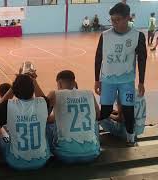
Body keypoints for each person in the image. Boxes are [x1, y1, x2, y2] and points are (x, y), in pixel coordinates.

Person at [94, 2, 147, 146]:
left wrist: (141, 81)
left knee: (128, 111)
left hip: (127, 81)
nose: (114, 23)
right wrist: (97, 80)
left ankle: (131, 139)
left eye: (117, 19)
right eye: (112, 20)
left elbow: (142, 59)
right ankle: (93, 135)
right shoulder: (105, 35)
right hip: (107, 80)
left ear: (127, 18)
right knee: (105, 110)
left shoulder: (138, 36)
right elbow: (98, 57)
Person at [0, 73, 51, 170]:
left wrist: (14, 84)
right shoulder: (44, 102)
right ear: (33, 89)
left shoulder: (7, 105)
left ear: (14, 91)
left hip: (15, 162)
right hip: (42, 160)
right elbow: (42, 97)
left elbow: (1, 104)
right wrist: (33, 80)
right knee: (45, 128)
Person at [46, 70, 100, 164]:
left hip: (66, 155)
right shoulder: (89, 93)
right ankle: (91, 142)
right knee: (94, 122)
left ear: (59, 83)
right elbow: (98, 116)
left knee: (48, 126)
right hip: (92, 153)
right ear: (74, 82)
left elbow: (42, 116)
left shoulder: (55, 94)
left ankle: (46, 151)